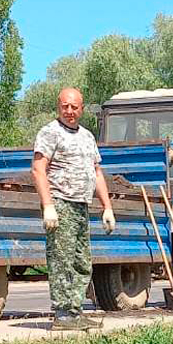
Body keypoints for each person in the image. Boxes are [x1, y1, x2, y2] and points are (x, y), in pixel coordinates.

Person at [32, 88, 117, 331]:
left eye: (74, 107)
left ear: (82, 108)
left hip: (81, 205)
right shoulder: (50, 132)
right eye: (65, 106)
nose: (69, 111)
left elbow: (97, 172)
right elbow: (38, 169)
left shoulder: (87, 137)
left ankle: (75, 311)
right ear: (59, 106)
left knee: (81, 260)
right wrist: (48, 206)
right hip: (61, 202)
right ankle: (62, 313)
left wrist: (107, 207)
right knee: (62, 259)